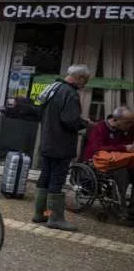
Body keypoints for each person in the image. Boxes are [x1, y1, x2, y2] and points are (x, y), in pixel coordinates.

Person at [31, 64, 92, 231]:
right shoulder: (70, 94)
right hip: (61, 144)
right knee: (56, 180)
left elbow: (39, 110)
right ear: (79, 78)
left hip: (47, 140)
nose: (85, 84)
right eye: (85, 80)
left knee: (45, 177)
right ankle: (55, 218)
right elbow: (69, 120)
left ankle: (40, 213)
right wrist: (84, 123)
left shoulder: (53, 88)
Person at [82, 105, 134, 221]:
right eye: (128, 123)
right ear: (115, 120)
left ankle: (132, 208)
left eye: (131, 122)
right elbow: (97, 149)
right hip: (101, 162)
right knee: (122, 172)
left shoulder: (126, 128)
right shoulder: (100, 128)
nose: (130, 126)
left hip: (121, 160)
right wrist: (124, 148)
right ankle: (120, 207)